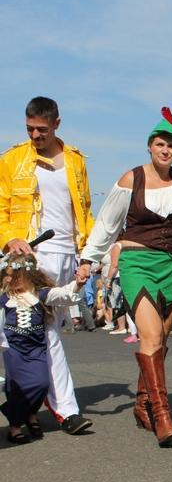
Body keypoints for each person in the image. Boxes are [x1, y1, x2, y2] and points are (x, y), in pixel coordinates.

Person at [80, 113, 172, 447]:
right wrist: (89, 259)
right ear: (149, 147)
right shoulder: (130, 179)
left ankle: (141, 402)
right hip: (138, 264)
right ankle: (162, 414)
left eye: (171, 146)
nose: (165, 150)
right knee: (149, 334)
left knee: (159, 338)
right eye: (160, 144)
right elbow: (106, 224)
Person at [0, 96, 94, 435]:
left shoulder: (75, 160)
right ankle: (65, 409)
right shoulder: (12, 159)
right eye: (30, 129)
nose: (35, 135)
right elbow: (2, 207)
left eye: (41, 129)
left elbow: (82, 209)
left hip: (67, 249)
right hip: (29, 255)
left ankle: (23, 411)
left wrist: (88, 254)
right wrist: (11, 239)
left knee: (34, 332)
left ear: (56, 123)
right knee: (40, 329)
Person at [0, 254, 88, 443]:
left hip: (36, 348)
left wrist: (78, 284)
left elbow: (64, 294)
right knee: (17, 387)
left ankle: (22, 412)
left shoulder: (41, 294)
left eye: (14, 276)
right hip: (14, 349)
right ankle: (15, 426)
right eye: (8, 276)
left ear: (26, 275)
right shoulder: (5, 298)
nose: (10, 280)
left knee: (40, 383)